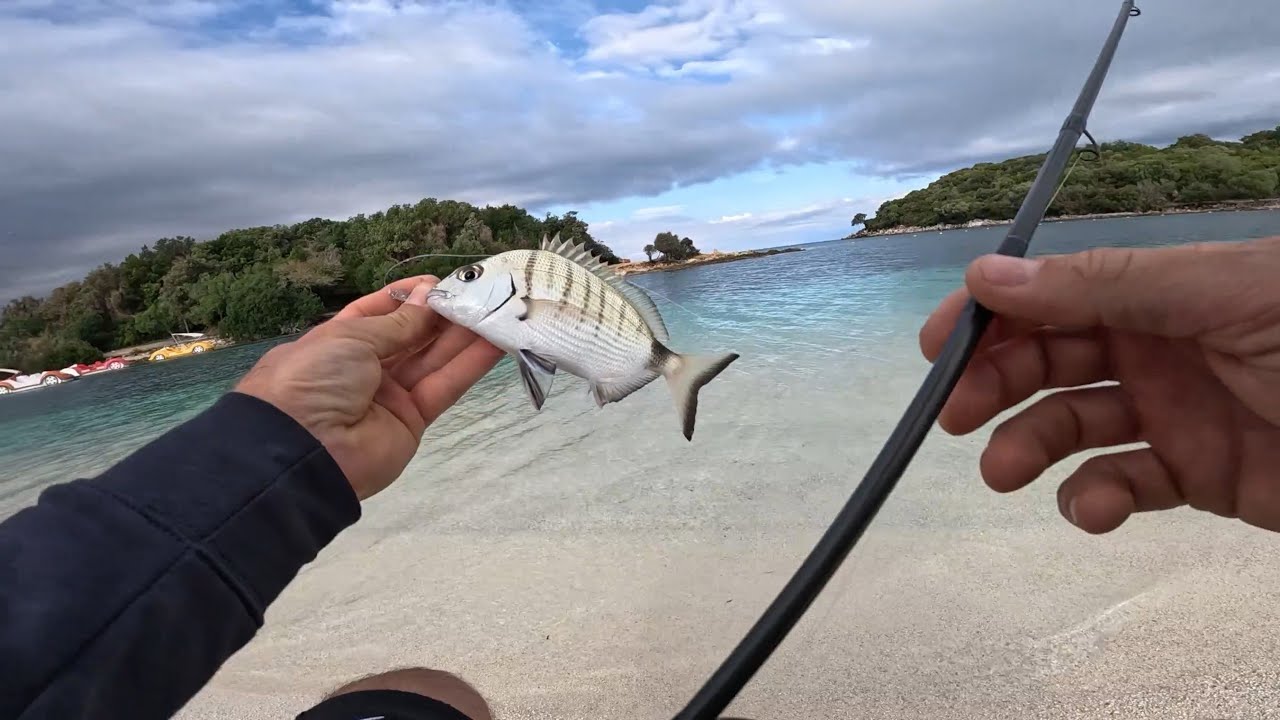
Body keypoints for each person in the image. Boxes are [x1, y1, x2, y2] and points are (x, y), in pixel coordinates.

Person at [2, 234, 1279, 719]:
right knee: (425, 700)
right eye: (456, 292)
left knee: (417, 689)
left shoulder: (519, 295)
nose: (446, 302)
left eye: (461, 288)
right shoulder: (506, 300)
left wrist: (271, 443)